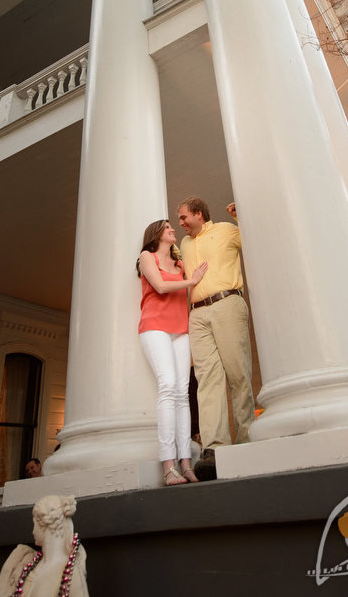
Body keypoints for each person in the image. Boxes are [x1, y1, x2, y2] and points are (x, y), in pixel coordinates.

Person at [177, 197, 255, 481]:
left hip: (227, 303)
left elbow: (257, 240)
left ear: (199, 214)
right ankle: (214, 448)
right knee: (206, 379)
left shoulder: (225, 230)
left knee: (238, 374)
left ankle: (247, 441)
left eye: (184, 217)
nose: (181, 222)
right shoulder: (183, 245)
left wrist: (240, 218)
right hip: (196, 313)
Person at [137, 219, 208, 485]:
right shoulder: (147, 256)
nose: (172, 229)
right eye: (168, 226)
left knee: (182, 392)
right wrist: (192, 280)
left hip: (181, 328)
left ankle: (186, 463)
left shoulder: (179, 264)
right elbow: (160, 286)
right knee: (167, 387)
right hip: (154, 326)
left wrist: (191, 278)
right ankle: (168, 467)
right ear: (157, 233)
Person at [0, 495, 88, 597]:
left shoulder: (71, 573)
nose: (33, 531)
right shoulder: (29, 565)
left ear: (44, 525)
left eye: (35, 524)